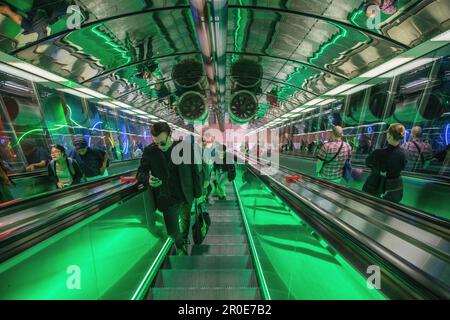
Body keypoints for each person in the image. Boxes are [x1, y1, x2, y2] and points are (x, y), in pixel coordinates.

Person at [136, 122, 202, 255]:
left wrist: (198, 193)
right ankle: (180, 242)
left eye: (162, 143)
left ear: (170, 135)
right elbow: (140, 173)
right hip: (166, 197)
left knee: (185, 218)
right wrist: (147, 179)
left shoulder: (185, 148)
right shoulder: (150, 151)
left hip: (186, 193)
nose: (159, 147)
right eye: (155, 143)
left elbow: (195, 171)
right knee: (172, 231)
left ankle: (184, 237)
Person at [363, 123, 407, 203]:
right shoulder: (404, 154)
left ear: (389, 135)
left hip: (374, 186)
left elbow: (367, 163)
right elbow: (403, 167)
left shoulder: (377, 153)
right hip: (393, 189)